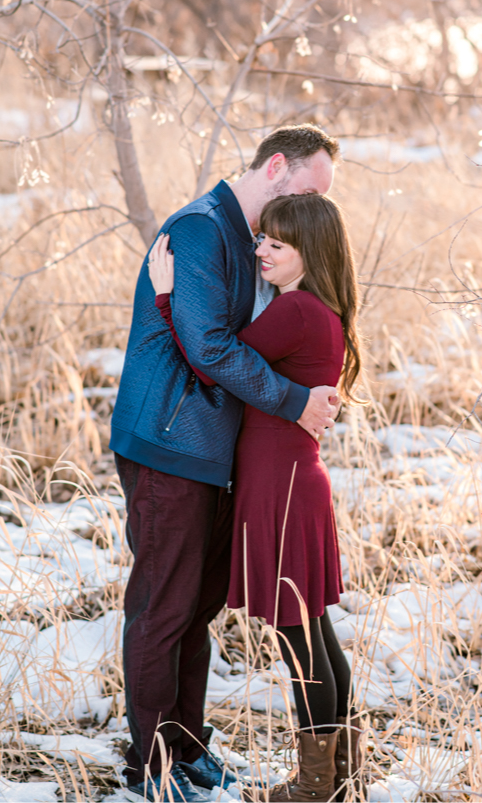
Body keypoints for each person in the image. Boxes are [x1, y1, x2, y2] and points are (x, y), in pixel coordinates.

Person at [111, 125, 341, 803]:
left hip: (218, 453)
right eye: (310, 191)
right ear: (276, 167)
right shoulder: (200, 231)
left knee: (196, 610)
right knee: (163, 608)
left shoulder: (251, 242)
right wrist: (296, 401)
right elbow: (209, 347)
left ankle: (186, 747)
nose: (313, 209)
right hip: (172, 445)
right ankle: (152, 768)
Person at [148, 191, 370, 803]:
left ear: (310, 252)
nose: (261, 251)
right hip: (296, 481)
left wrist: (169, 299)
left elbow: (213, 361)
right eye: (261, 239)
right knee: (315, 634)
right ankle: (341, 776)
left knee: (301, 642)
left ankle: (314, 788)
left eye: (277, 243)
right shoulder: (320, 309)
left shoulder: (296, 310)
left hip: (281, 488)